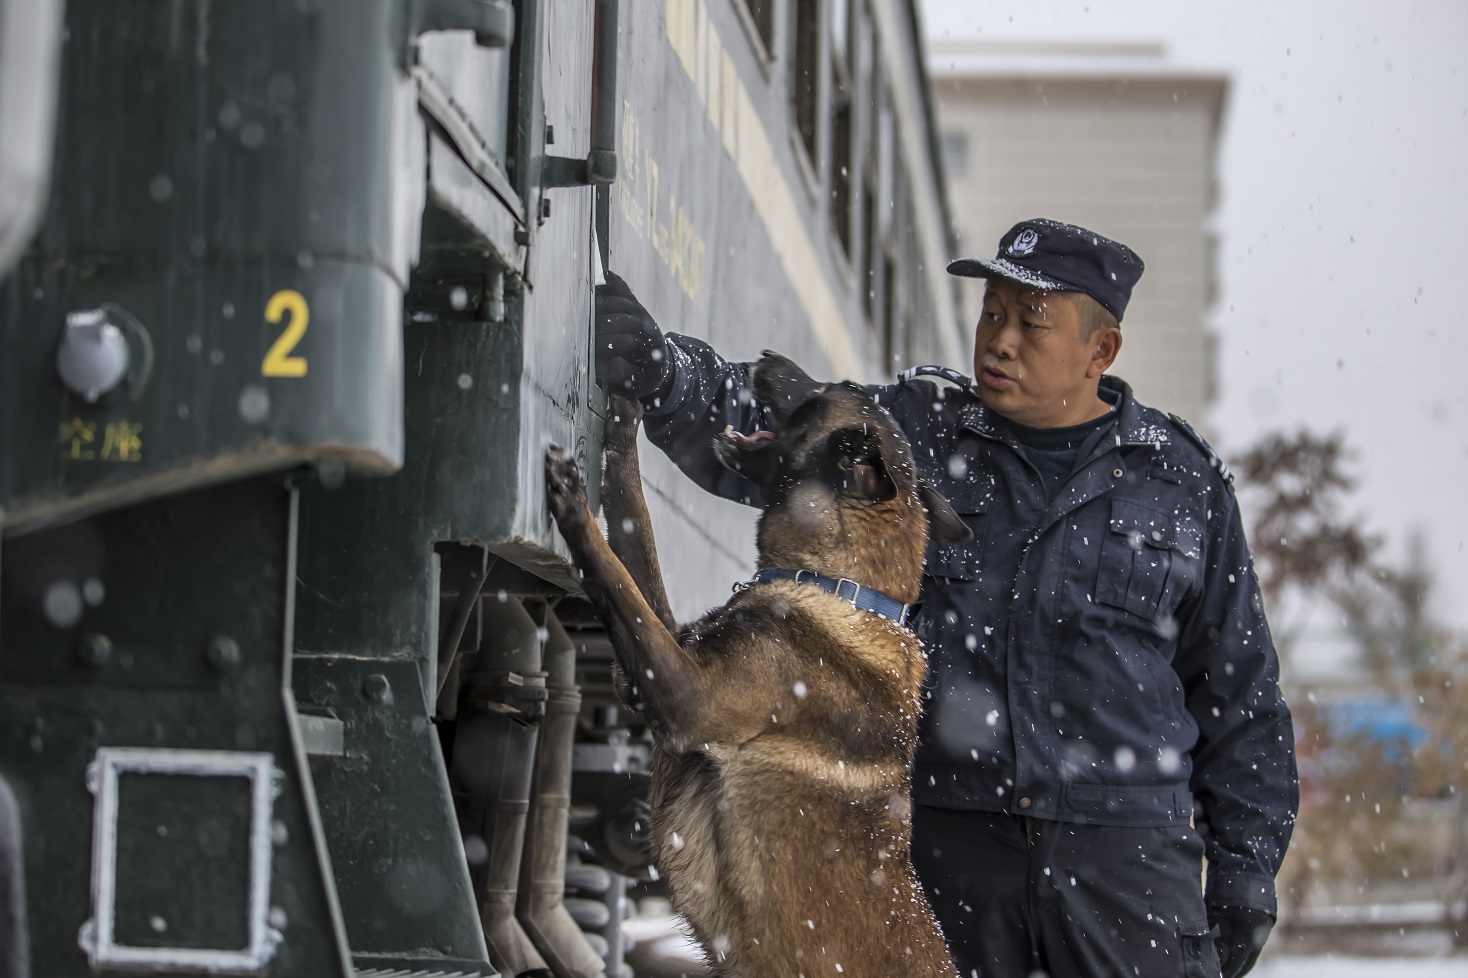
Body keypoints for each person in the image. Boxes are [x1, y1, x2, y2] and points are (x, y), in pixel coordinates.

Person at [595, 218, 1298, 978]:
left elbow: (1242, 704)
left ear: (1102, 351)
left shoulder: (1183, 487)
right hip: (948, 858)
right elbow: (779, 429)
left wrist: (1244, 874)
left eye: (1031, 323)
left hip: (1126, 870)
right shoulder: (918, 434)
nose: (999, 340)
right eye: (992, 311)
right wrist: (666, 373)